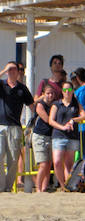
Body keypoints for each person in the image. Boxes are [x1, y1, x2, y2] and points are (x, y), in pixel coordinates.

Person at [0, 61, 33, 192]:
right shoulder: (1, 85)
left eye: (15, 69)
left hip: (15, 126)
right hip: (0, 125)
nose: (12, 71)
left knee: (13, 159)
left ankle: (7, 187)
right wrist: (3, 70)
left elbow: (32, 105)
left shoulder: (22, 88)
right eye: (10, 69)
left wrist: (32, 122)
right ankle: (1, 186)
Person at [49, 80, 85, 186]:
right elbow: (51, 120)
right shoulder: (57, 104)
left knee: (69, 164)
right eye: (65, 89)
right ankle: (62, 184)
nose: (67, 92)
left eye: (69, 89)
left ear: (72, 91)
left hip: (72, 136)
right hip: (58, 135)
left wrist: (73, 120)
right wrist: (63, 127)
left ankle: (68, 185)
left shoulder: (76, 103)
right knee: (56, 161)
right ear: (62, 91)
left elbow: (84, 116)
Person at [31, 85, 55, 192]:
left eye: (52, 93)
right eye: (48, 93)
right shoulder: (40, 105)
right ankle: (38, 188)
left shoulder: (54, 105)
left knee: (49, 164)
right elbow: (47, 119)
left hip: (50, 136)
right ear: (44, 94)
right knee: (43, 164)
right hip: (40, 136)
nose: (50, 95)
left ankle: (44, 188)